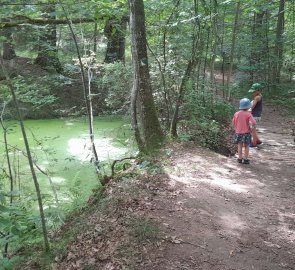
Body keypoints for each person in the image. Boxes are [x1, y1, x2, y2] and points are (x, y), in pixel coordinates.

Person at [232, 98, 257, 164]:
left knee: (239, 146)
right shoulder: (248, 114)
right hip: (246, 133)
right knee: (246, 146)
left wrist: (236, 128)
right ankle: (246, 159)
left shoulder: (236, 113)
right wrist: (251, 127)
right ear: (248, 106)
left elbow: (233, 122)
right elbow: (254, 122)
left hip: (238, 132)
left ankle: (239, 158)